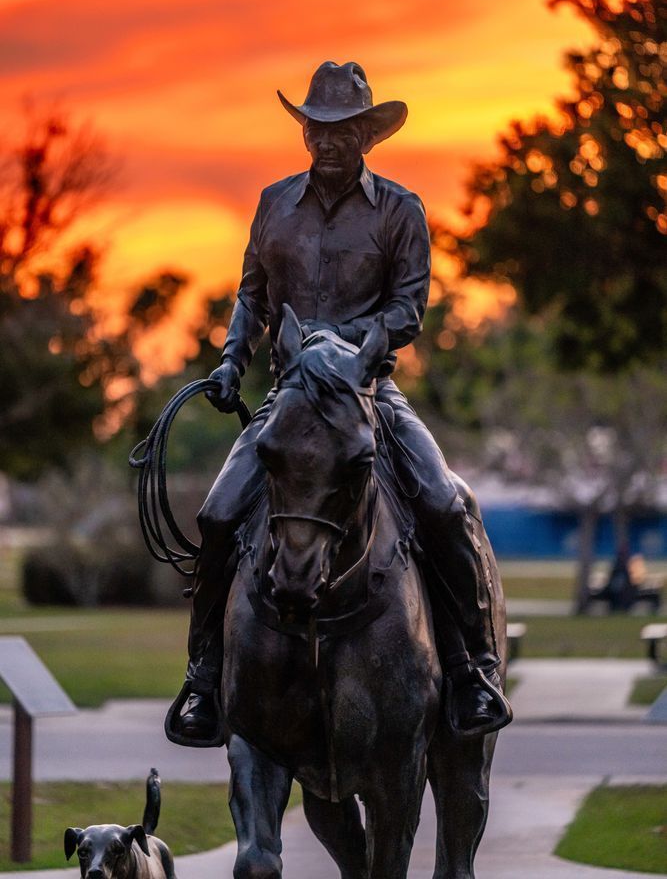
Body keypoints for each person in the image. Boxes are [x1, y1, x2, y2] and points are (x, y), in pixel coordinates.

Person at [168, 61, 512, 746]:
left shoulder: (399, 210)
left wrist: (343, 346)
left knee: (444, 504)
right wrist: (232, 359)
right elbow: (252, 295)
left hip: (368, 391)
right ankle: (204, 676)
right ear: (304, 133)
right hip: (289, 394)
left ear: (366, 135)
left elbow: (408, 307)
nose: (327, 141)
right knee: (214, 515)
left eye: (342, 129)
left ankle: (473, 669)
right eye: (315, 128)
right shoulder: (273, 203)